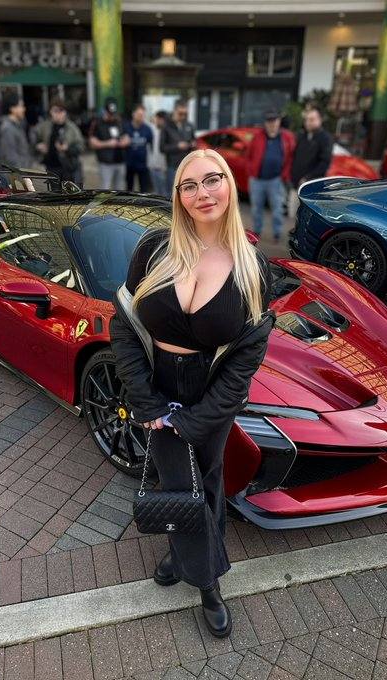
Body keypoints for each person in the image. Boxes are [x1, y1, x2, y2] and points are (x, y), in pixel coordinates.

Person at [109, 149, 274, 638]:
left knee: (210, 478)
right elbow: (123, 325)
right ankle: (201, 574)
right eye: (189, 185)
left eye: (212, 179)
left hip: (210, 389)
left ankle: (196, 573)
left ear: (230, 186)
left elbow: (247, 357)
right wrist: (145, 400)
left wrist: (197, 419)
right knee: (176, 479)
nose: (203, 193)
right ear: (178, 196)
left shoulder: (253, 269)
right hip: (158, 384)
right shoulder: (153, 249)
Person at [246, 109, 295, 242]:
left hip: (276, 180)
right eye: (269, 121)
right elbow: (248, 155)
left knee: (277, 209)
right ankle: (257, 232)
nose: (272, 123)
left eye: (274, 120)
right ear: (265, 123)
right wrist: (251, 171)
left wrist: (285, 174)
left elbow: (291, 157)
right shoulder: (257, 136)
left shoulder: (287, 137)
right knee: (256, 209)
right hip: (257, 180)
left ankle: (277, 233)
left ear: (279, 121)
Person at [289, 106, 333, 218]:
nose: (308, 122)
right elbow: (295, 157)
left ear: (319, 120)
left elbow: (325, 163)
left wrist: (308, 178)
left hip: (312, 187)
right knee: (293, 216)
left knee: (307, 218)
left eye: (312, 119)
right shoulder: (302, 136)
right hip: (296, 184)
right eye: (307, 119)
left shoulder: (325, 138)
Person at [34, 97, 85, 184]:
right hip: (51, 168)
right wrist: (39, 147)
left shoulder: (72, 128)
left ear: (65, 112)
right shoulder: (44, 127)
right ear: (50, 112)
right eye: (55, 111)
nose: (58, 114)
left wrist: (67, 148)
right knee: (53, 192)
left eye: (61, 111)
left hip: (68, 169)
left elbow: (81, 147)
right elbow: (34, 142)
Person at [88, 97, 129, 190]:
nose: (112, 116)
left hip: (120, 161)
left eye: (113, 114)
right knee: (105, 189)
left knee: (120, 189)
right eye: (109, 114)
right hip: (106, 163)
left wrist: (123, 142)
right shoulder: (97, 123)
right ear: (105, 111)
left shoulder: (119, 121)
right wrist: (107, 144)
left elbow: (127, 137)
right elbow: (92, 143)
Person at [161, 99, 196, 196]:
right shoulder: (166, 126)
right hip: (172, 166)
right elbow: (162, 147)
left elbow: (193, 141)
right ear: (175, 111)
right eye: (180, 113)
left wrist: (192, 144)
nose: (183, 116)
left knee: (186, 192)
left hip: (186, 165)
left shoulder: (189, 125)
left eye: (185, 114)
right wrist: (177, 146)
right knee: (171, 194)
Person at [0, 93, 33, 169]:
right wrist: (24, 174)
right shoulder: (8, 129)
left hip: (23, 170)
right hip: (18, 173)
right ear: (12, 109)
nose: (24, 109)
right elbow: (10, 158)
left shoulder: (19, 125)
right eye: (21, 106)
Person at [124, 103, 153, 192]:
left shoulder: (147, 129)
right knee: (129, 189)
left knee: (144, 190)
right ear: (133, 114)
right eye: (139, 114)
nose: (141, 117)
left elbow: (151, 145)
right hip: (129, 164)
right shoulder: (126, 127)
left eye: (143, 115)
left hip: (142, 165)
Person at [148, 110, 168, 197]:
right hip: (153, 167)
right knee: (157, 193)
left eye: (157, 119)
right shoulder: (154, 130)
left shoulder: (168, 132)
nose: (155, 121)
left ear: (161, 120)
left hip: (164, 169)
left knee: (165, 194)